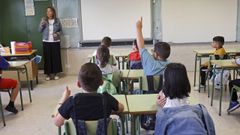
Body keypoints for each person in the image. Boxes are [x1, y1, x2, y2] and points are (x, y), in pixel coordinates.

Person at [54, 63, 124, 127]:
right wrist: (108, 109)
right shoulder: (106, 99)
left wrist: (63, 98)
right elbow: (121, 108)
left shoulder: (72, 101)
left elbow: (57, 122)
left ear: (78, 84)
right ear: (101, 82)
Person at [155, 63, 215, 135]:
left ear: (165, 83)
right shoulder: (201, 110)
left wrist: (160, 107)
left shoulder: (163, 116)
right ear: (186, 81)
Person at [39, 6, 63, 81]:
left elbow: (61, 31)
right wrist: (42, 25)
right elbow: (39, 30)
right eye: (47, 11)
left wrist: (57, 34)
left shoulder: (57, 20)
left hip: (55, 41)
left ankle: (56, 73)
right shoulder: (44, 20)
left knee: (56, 58)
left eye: (50, 11)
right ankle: (48, 74)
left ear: (53, 12)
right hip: (46, 41)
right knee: (47, 58)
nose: (48, 13)